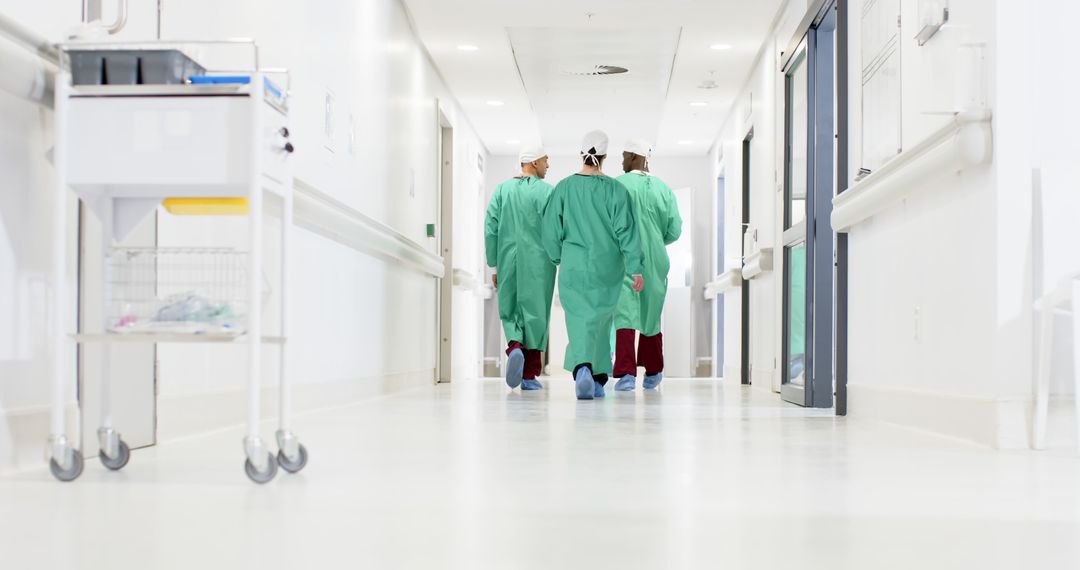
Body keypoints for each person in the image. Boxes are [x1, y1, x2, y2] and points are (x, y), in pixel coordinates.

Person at [542, 130, 644, 400]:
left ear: (582, 153)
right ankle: (596, 375)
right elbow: (628, 232)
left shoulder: (564, 188)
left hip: (574, 266)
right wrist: (636, 267)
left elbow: (550, 231)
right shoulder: (616, 190)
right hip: (607, 268)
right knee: (601, 322)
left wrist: (557, 257)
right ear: (605, 156)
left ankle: (585, 369)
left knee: (578, 321)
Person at [612, 139, 683, 391]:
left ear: (634, 156)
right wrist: (653, 239)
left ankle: (626, 374)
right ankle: (653, 372)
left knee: (625, 315)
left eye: (624, 155)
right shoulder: (663, 189)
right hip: (654, 261)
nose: (621, 161)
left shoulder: (616, 186)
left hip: (622, 260)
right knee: (651, 316)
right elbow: (674, 230)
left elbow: (607, 226)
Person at [484, 145, 557, 390]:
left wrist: (494, 264)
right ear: (534, 163)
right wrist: (558, 257)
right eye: (546, 161)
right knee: (536, 312)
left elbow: (491, 228)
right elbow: (556, 228)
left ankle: (515, 346)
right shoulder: (548, 193)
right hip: (539, 262)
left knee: (510, 307)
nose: (548, 165)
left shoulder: (502, 191)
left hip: (508, 259)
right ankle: (528, 374)